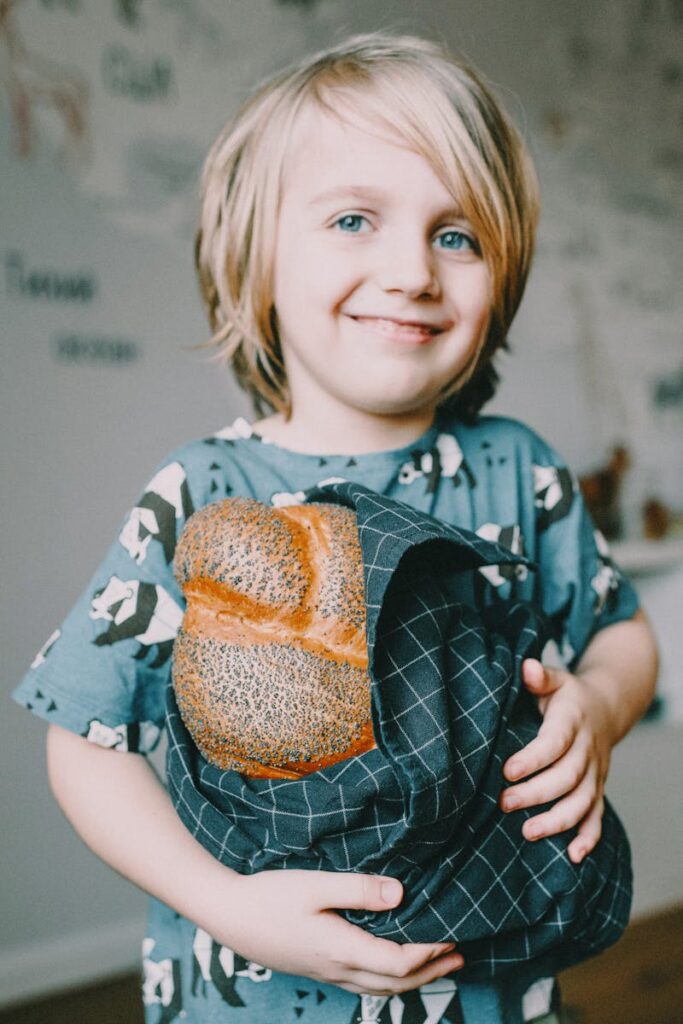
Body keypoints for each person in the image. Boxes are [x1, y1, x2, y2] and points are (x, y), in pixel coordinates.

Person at [12, 33, 658, 1024]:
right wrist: (225, 904)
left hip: (491, 982)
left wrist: (602, 707)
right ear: (255, 257)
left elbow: (619, 627)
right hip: (254, 994)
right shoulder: (201, 493)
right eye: (354, 218)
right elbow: (83, 743)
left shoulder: (515, 468)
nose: (410, 270)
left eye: (457, 235)